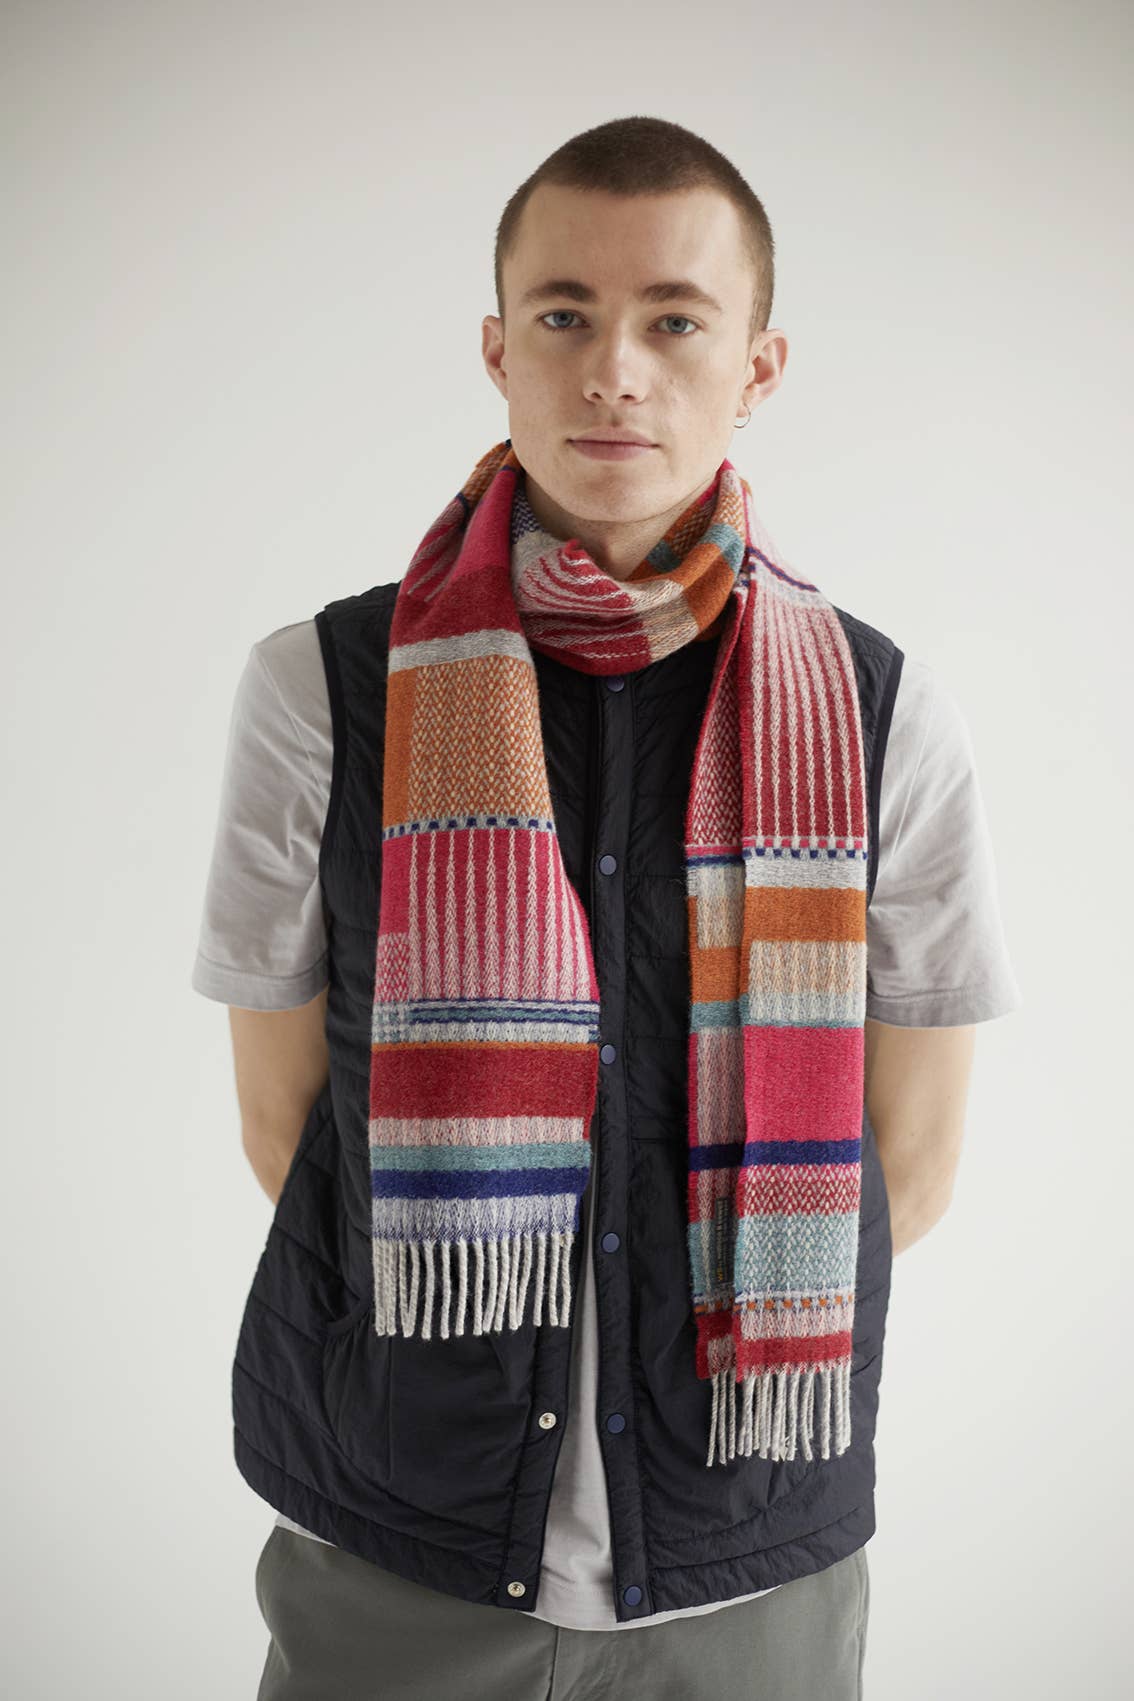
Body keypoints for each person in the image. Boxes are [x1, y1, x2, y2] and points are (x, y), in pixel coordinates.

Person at [192, 115, 1022, 1700]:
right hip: (395, 1532)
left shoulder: (880, 712)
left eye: (674, 320)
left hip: (745, 1549)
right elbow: (287, 1123)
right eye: (564, 316)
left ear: (758, 364)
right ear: (498, 349)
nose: (614, 370)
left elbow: (903, 1167)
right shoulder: (322, 687)